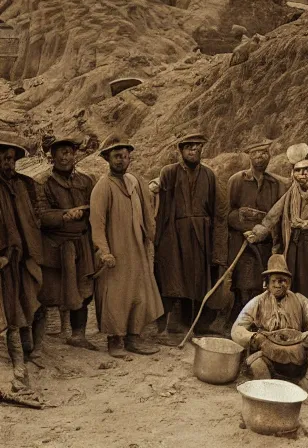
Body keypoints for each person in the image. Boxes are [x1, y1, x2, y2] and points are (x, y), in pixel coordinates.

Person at [245, 145, 308, 326]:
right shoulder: (290, 195)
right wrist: (257, 233)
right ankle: (298, 318)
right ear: (293, 173)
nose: (303, 174)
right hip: (296, 245)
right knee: (297, 282)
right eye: (298, 171)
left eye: (307, 170)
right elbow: (274, 215)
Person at [231, 254, 308, 401]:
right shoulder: (257, 302)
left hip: (297, 352)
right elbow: (237, 328)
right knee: (256, 364)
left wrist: (303, 337)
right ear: (267, 284)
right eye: (274, 281)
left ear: (288, 283)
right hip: (269, 352)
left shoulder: (300, 300)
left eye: (282, 281)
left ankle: (307, 382)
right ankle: (271, 391)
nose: (278, 285)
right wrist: (254, 337)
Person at [90, 136, 162, 358]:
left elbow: (148, 214)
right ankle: (114, 340)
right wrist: (104, 251)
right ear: (107, 159)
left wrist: (152, 237)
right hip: (116, 251)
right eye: (116, 156)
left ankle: (133, 337)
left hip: (137, 249)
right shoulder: (103, 186)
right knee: (115, 295)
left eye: (124, 156)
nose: (121, 160)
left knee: (138, 294)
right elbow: (97, 222)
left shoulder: (135, 181)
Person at [154, 133, 228, 339]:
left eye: (197, 147)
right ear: (181, 151)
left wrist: (216, 241)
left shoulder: (209, 175)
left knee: (201, 277)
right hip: (175, 233)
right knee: (175, 276)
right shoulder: (169, 172)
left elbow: (218, 210)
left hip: (202, 234)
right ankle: (172, 324)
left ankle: (200, 323)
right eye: (189, 147)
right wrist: (161, 238)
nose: (193, 151)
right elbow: (161, 204)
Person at [32, 136, 97, 354]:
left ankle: (78, 335)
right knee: (51, 288)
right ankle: (43, 337)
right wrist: (63, 215)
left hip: (82, 242)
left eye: (69, 153)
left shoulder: (86, 181)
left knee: (84, 288)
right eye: (60, 153)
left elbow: (95, 209)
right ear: (52, 156)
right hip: (55, 245)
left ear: (74, 155)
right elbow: (39, 216)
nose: (65, 157)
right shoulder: (42, 182)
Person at [0, 136, 43, 391]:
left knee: (17, 306)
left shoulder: (21, 186)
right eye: (4, 158)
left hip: (16, 258)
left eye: (11, 159)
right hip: (2, 258)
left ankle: (19, 364)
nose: (9, 163)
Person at [227, 140, 287, 315]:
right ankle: (237, 316)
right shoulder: (237, 180)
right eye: (255, 153)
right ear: (249, 156)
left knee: (262, 280)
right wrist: (245, 229)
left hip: (265, 241)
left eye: (264, 153)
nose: (260, 157)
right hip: (242, 240)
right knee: (242, 282)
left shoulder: (276, 184)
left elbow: (278, 214)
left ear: (269, 156)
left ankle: (261, 316)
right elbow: (229, 212)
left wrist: (265, 232)